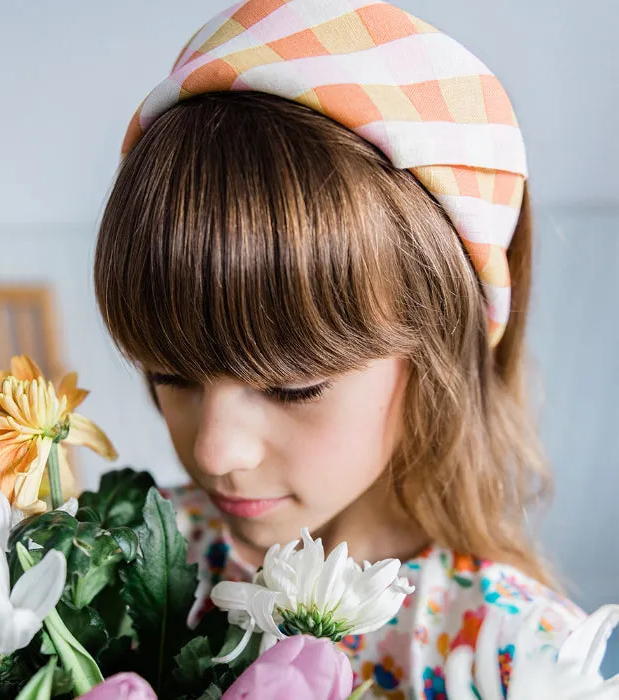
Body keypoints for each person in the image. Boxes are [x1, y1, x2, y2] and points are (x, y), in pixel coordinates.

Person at [93, 1, 587, 696]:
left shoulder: (517, 657)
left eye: (292, 386)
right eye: (170, 374)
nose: (215, 452)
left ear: (438, 355)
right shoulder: (126, 561)